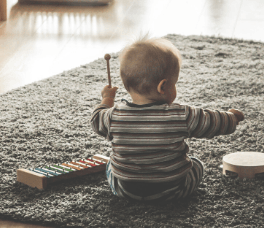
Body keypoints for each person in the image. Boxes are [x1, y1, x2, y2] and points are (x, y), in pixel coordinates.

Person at [91, 36, 244, 202]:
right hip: (173, 190)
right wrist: (232, 117)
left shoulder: (113, 116)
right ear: (162, 86)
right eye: (175, 83)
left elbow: (96, 119)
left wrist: (107, 99)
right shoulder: (181, 115)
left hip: (126, 190)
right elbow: (212, 121)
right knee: (197, 164)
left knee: (110, 165)